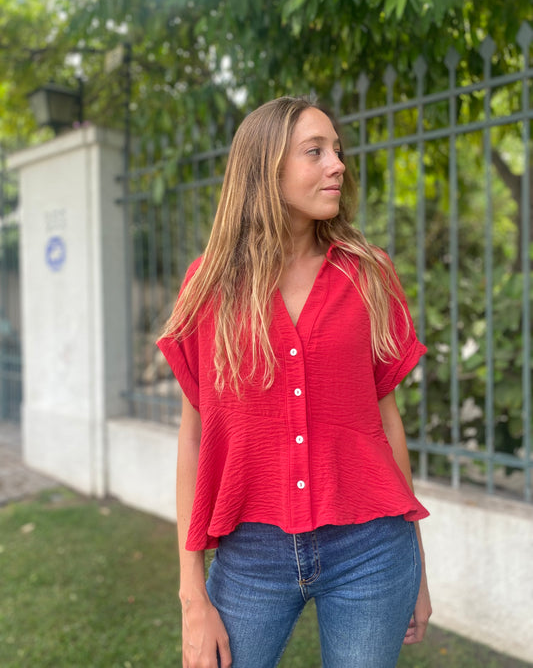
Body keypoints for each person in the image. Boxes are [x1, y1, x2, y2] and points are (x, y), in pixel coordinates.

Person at [157, 95, 432, 668]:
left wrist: (419, 572)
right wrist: (191, 594)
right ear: (266, 168)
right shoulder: (208, 287)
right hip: (250, 555)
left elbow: (386, 424)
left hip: (372, 550)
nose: (338, 164)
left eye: (337, 150)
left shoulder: (369, 274)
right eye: (315, 151)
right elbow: (194, 438)